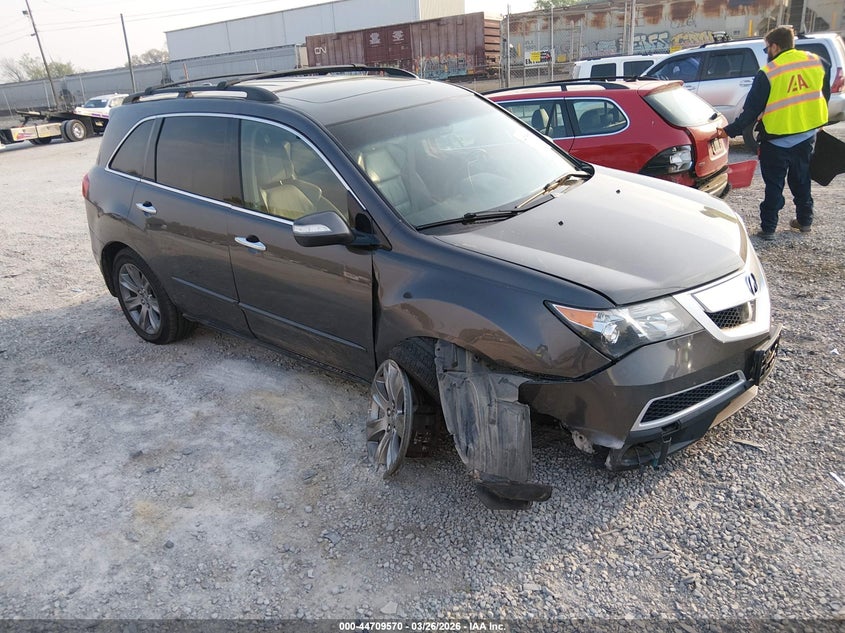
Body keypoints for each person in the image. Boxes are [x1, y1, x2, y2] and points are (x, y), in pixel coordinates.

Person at [716, 26, 830, 240]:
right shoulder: (816, 61)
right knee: (802, 179)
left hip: (777, 140)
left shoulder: (769, 72)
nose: (767, 52)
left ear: (775, 46)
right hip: (806, 135)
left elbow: (751, 109)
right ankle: (805, 221)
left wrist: (730, 131)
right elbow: (823, 94)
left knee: (774, 186)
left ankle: (768, 228)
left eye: (767, 48)